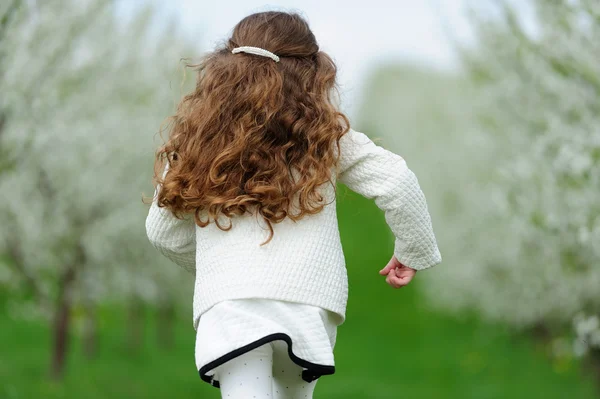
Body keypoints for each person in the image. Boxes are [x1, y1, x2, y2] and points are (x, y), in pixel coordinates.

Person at [145, 10, 441, 399]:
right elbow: (397, 180)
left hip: (233, 305)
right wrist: (412, 250)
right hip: (308, 305)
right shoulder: (325, 135)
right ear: (313, 72)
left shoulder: (196, 141)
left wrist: (222, 263)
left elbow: (162, 231)